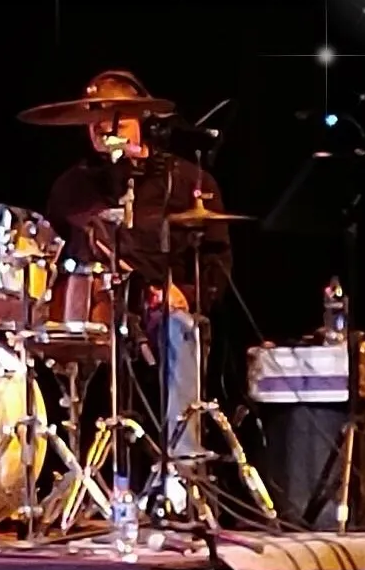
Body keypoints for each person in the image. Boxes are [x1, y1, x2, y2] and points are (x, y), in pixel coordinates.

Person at [44, 70, 233, 461]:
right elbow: (50, 257)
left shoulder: (187, 182)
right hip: (92, 313)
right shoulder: (70, 188)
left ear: (142, 120)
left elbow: (217, 262)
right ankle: (62, 466)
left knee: (181, 327)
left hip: (157, 314)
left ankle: (182, 468)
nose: (103, 127)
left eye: (116, 118)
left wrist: (185, 294)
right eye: (94, 119)